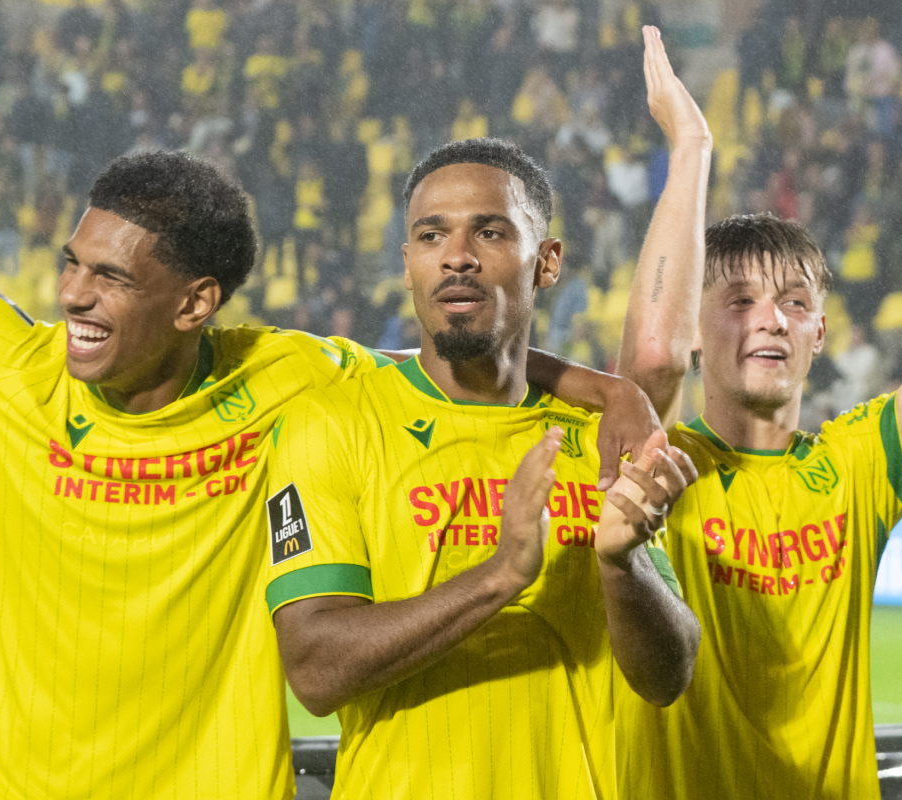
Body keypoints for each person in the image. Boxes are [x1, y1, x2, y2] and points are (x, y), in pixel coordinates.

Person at [0, 152, 655, 799]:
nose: (74, 296)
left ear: (195, 303)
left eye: (110, 279)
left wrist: (609, 391)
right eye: (73, 266)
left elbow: (445, 356)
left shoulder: (286, 377)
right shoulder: (13, 362)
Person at [259, 52, 701, 800]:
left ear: (546, 261)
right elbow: (315, 669)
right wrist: (501, 575)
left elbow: (668, 676)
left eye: (490, 233)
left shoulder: (599, 435)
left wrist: (622, 565)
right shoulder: (329, 422)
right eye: (431, 237)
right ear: (407, 264)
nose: (456, 256)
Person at [613, 4, 902, 796]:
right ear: (696, 326)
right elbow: (651, 361)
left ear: (821, 332)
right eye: (737, 301)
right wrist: (691, 148)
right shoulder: (659, 464)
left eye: (794, 303)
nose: (770, 318)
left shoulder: (859, 463)